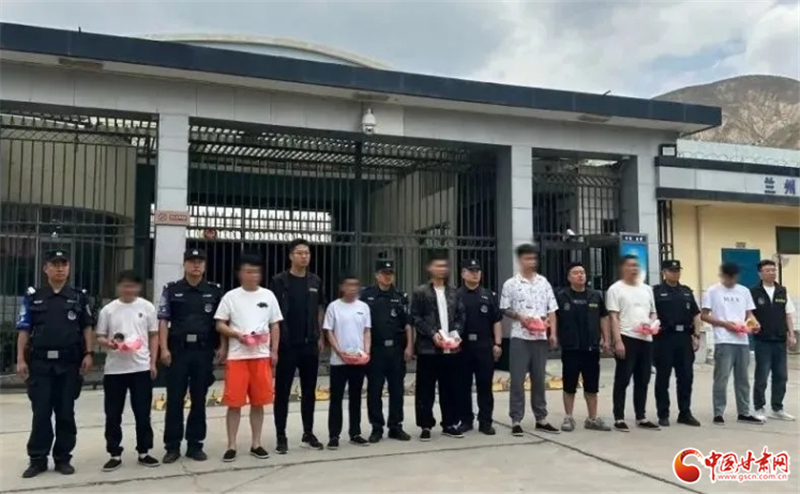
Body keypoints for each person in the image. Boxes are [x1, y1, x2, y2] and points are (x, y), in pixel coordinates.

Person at [16, 249, 95, 478]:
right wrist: (20, 359)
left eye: (63, 264)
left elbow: (87, 327)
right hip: (40, 365)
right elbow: (24, 329)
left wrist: (89, 353)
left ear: (69, 268)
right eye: (54, 264)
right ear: (45, 268)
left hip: (69, 364)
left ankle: (63, 458)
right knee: (41, 413)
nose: (60, 268)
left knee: (65, 412)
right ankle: (37, 459)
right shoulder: (34, 297)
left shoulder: (78, 297)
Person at [214, 253, 282, 462]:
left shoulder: (268, 296)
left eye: (256, 272)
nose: (253, 275)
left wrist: (274, 351)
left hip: (260, 356)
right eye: (248, 271)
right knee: (234, 403)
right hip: (238, 357)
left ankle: (256, 443)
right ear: (240, 274)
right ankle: (231, 445)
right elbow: (220, 324)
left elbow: (275, 325)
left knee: (259, 402)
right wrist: (236, 335)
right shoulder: (231, 297)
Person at [158, 249, 223, 463]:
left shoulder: (214, 291)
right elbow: (163, 320)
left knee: (199, 399)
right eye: (192, 261)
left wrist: (222, 347)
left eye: (200, 262)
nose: (196, 265)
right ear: (184, 265)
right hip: (178, 352)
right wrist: (164, 349)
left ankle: (195, 445)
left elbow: (221, 322)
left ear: (204, 266)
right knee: (175, 400)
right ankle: (172, 446)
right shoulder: (172, 290)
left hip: (203, 352)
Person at [96, 270, 160, 471]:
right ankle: (114, 453)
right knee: (113, 414)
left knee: (143, 413)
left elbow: (154, 335)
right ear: (118, 287)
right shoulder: (108, 310)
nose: (128, 289)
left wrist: (152, 362)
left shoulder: (147, 307)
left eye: (132, 286)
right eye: (125, 285)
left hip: (140, 367)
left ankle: (144, 451)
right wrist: (109, 343)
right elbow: (99, 336)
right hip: (115, 369)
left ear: (139, 288)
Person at [269, 238, 327, 453]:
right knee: (282, 392)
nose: (304, 256)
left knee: (309, 391)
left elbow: (320, 307)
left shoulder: (315, 281)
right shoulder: (279, 281)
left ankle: (308, 433)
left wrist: (320, 335)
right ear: (291, 256)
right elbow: (273, 314)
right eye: (300, 253)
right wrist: (274, 344)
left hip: (309, 343)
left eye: (307, 253)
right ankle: (281, 436)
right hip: (287, 344)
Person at [499, 243, 559, 436]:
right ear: (520, 260)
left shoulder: (544, 283)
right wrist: (520, 317)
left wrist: (553, 333)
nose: (531, 262)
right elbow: (504, 308)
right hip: (520, 337)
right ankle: (516, 419)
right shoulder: (511, 284)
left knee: (539, 379)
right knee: (517, 380)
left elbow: (552, 309)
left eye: (534, 258)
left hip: (540, 337)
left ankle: (541, 418)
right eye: (527, 258)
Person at [410, 252, 466, 441]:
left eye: (444, 266)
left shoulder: (454, 292)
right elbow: (415, 317)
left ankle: (450, 423)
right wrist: (432, 334)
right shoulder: (420, 292)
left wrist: (455, 334)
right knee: (425, 389)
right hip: (428, 348)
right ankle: (425, 425)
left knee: (450, 388)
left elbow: (460, 315)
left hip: (451, 348)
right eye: (438, 266)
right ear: (430, 268)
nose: (442, 269)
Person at [701, 262, 763, 425]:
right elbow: (704, 315)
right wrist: (725, 324)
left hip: (742, 340)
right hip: (724, 339)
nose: (731, 280)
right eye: (728, 277)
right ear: (722, 275)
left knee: (743, 379)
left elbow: (749, 313)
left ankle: (744, 412)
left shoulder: (744, 291)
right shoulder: (713, 291)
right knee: (721, 378)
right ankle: (718, 412)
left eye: (734, 277)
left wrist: (754, 323)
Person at [554, 262, 611, 432]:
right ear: (569, 277)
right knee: (569, 385)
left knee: (592, 385)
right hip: (571, 347)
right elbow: (554, 318)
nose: (580, 275)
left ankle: (592, 418)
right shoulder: (561, 296)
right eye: (576, 273)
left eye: (582, 272)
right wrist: (554, 335)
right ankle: (568, 417)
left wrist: (606, 339)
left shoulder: (595, 296)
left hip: (591, 347)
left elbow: (603, 317)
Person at [361, 260, 413, 443]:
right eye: (384, 273)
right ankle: (376, 427)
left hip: (396, 350)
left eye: (390, 273)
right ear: (377, 275)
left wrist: (409, 346)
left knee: (397, 390)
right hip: (375, 350)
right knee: (374, 390)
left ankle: (395, 426)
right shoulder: (366, 296)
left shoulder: (400, 296)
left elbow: (408, 324)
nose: (387, 276)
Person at [607, 254, 660, 432]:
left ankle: (641, 416)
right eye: (630, 265)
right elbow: (613, 316)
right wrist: (617, 341)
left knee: (643, 379)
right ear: (623, 268)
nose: (634, 268)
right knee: (622, 379)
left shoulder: (647, 289)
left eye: (636, 265)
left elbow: (653, 312)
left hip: (646, 338)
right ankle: (619, 417)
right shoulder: (615, 289)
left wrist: (651, 324)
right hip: (626, 337)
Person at [324, 273, 372, 449]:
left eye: (355, 285)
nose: (352, 288)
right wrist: (340, 352)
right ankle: (334, 435)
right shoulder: (334, 307)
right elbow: (329, 331)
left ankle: (355, 433)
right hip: (339, 361)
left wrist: (366, 352)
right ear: (342, 287)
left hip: (358, 361)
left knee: (356, 397)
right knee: (336, 399)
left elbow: (367, 331)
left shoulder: (363, 307)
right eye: (349, 285)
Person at [652, 260, 702, 427]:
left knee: (686, 377)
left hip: (684, 339)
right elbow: (650, 314)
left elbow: (696, 314)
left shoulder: (686, 292)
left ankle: (685, 413)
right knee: (662, 378)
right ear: (664, 273)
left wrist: (697, 335)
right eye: (672, 270)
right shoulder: (656, 292)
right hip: (664, 338)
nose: (675, 273)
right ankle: (663, 414)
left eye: (677, 270)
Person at [456, 259, 503, 435]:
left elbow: (496, 320)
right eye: (471, 270)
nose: (475, 274)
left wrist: (498, 343)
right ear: (463, 274)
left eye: (477, 270)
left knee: (485, 386)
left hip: (484, 346)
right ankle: (466, 420)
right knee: (463, 386)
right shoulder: (455, 295)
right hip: (462, 346)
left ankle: (485, 421)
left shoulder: (488, 295)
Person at [751, 259, 797, 421]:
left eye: (773, 270)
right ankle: (759, 407)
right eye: (768, 270)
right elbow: (748, 313)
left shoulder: (782, 291)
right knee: (762, 375)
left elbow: (788, 314)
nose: (772, 273)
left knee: (781, 375)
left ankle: (777, 408)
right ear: (760, 274)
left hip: (779, 340)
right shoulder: (754, 292)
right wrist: (751, 326)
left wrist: (791, 334)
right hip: (762, 340)